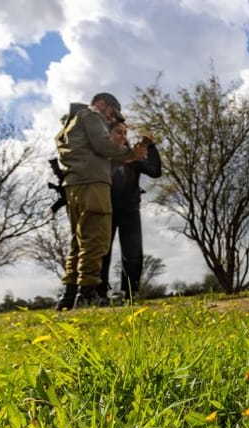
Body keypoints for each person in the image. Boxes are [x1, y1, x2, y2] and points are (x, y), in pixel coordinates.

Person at [55, 92, 146, 311]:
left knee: (78, 242)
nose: (111, 119)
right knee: (96, 240)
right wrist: (130, 153)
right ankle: (86, 294)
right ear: (102, 104)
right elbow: (103, 145)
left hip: (74, 185)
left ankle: (69, 295)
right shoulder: (91, 114)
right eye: (112, 113)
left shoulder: (69, 124)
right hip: (93, 183)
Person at [98, 122, 162, 302]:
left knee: (133, 252)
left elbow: (155, 171)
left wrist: (151, 146)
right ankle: (100, 293)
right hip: (106, 210)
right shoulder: (101, 156)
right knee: (102, 252)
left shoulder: (134, 158)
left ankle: (129, 293)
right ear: (108, 135)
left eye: (125, 133)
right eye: (118, 132)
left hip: (130, 210)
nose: (123, 136)